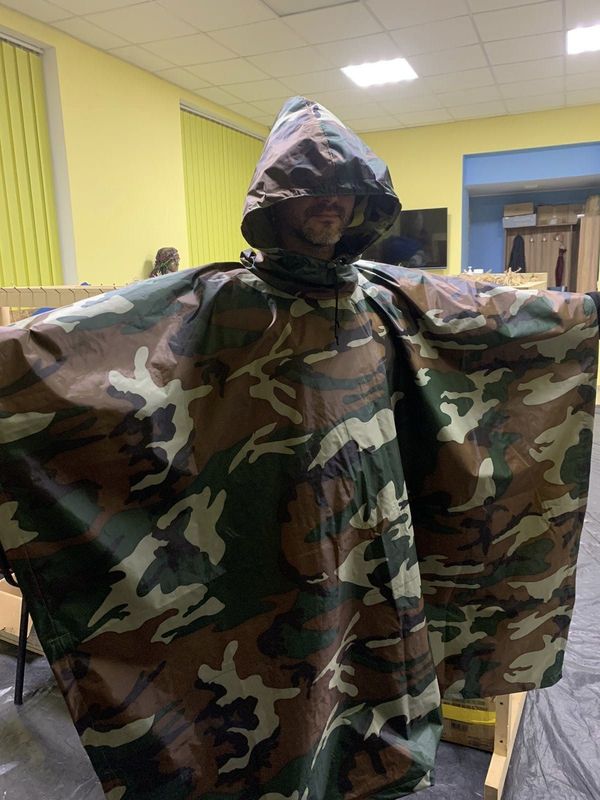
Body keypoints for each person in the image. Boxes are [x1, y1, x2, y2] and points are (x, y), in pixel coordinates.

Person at [0, 97, 597, 800]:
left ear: (364, 204)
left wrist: (587, 313)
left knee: (374, 671)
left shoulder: (387, 299)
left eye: (344, 192)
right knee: (285, 686)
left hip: (373, 536)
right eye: (312, 189)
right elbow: (64, 349)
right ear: (276, 202)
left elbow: (504, 317)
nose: (329, 204)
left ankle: (371, 770)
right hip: (269, 542)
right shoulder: (218, 302)